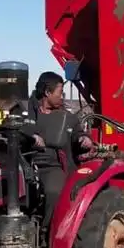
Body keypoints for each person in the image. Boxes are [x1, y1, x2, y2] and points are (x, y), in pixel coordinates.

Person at [22, 71, 94, 229]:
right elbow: (20, 130)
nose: (62, 97)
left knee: (54, 190)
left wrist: (84, 139)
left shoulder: (68, 117)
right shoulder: (27, 112)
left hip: (53, 166)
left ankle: (48, 230)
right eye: (60, 92)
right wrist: (32, 136)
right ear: (47, 93)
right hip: (26, 163)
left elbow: (79, 133)